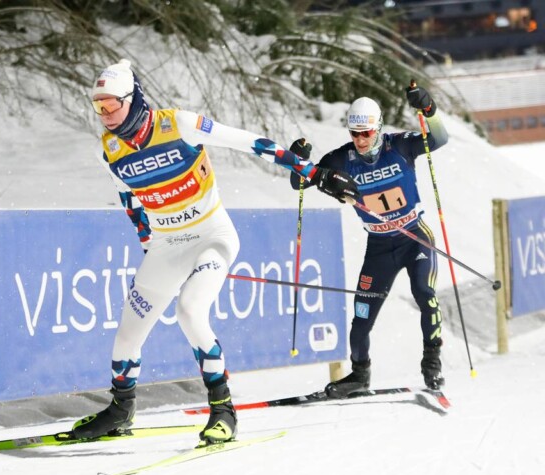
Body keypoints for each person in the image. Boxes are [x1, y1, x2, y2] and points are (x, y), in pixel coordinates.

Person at [71, 58, 359, 444]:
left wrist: (314, 173)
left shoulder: (180, 125)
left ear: (133, 99)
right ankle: (121, 409)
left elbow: (251, 142)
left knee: (190, 311)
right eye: (98, 106)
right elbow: (128, 198)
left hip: (211, 237)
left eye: (112, 104)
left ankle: (223, 409)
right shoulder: (108, 150)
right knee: (127, 336)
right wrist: (147, 241)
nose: (105, 114)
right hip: (166, 246)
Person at [291, 85, 450, 397]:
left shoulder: (401, 146)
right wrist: (296, 160)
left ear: (378, 128)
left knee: (425, 293)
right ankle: (360, 374)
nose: (360, 140)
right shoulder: (341, 159)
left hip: (414, 236)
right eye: (354, 134)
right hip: (379, 247)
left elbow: (439, 139)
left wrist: (428, 109)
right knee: (361, 317)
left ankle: (432, 362)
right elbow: (300, 181)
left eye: (366, 133)